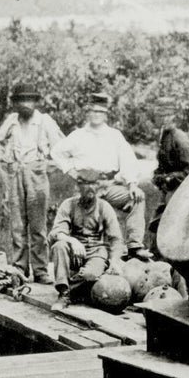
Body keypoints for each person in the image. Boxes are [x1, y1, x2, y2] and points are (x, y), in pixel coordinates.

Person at [50, 92, 153, 260]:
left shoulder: (114, 135)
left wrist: (133, 183)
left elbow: (128, 159)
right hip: (85, 187)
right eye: (93, 111)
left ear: (106, 114)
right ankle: (84, 251)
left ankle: (134, 246)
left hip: (108, 185)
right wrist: (71, 171)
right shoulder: (78, 136)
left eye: (100, 112)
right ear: (87, 112)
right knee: (82, 215)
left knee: (137, 198)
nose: (96, 115)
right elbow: (56, 152)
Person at [0, 82, 64, 284]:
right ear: (15, 103)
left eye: (29, 99)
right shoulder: (12, 120)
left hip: (37, 174)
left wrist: (48, 165)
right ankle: (19, 268)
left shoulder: (44, 121)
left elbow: (61, 148)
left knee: (38, 225)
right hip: (15, 173)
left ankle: (40, 270)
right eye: (21, 100)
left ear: (35, 101)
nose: (25, 104)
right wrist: (2, 155)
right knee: (18, 225)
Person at [49, 168, 126, 304]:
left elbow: (116, 239)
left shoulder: (104, 207)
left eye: (94, 184)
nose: (91, 188)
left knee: (90, 275)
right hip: (75, 251)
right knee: (59, 246)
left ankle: (73, 286)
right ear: (78, 186)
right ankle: (64, 293)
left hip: (96, 251)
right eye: (86, 184)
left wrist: (114, 261)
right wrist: (72, 240)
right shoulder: (68, 205)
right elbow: (56, 232)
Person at [148, 96, 189, 251]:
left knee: (169, 227)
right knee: (156, 227)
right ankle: (157, 255)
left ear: (173, 116)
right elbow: (164, 164)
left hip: (181, 191)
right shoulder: (164, 136)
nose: (162, 119)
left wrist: (169, 178)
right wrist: (158, 175)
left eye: (166, 116)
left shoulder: (179, 138)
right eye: (159, 115)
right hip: (168, 190)